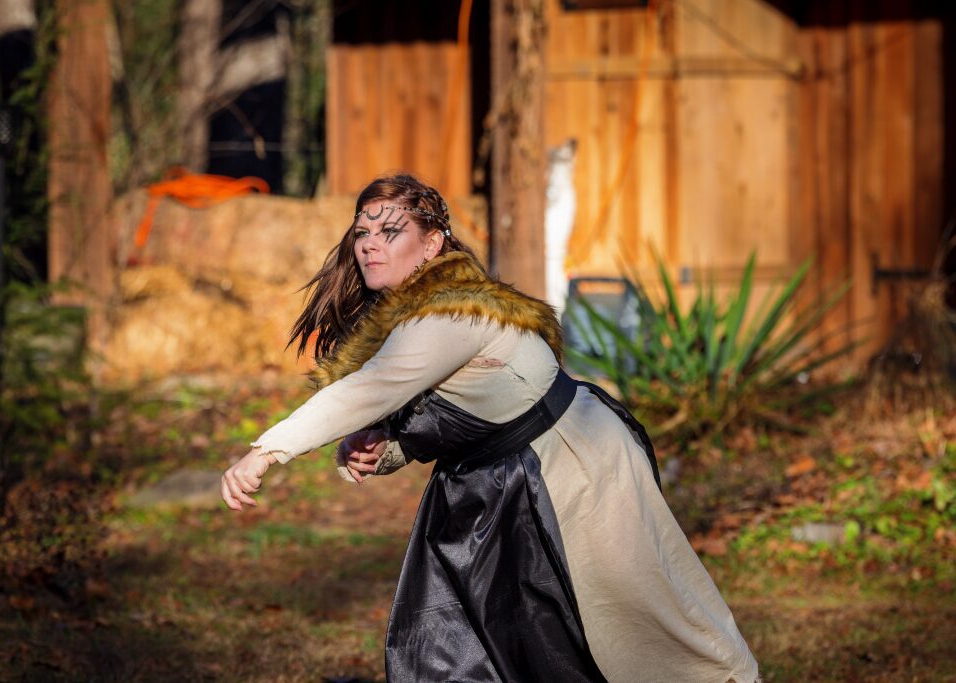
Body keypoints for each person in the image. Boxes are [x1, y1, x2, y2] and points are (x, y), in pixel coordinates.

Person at [222, 174, 759, 682]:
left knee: (640, 621)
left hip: (578, 470)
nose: (369, 245)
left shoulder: (449, 315)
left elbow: (368, 388)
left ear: (432, 245)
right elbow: (458, 406)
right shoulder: (420, 313)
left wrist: (266, 453)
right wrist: (388, 446)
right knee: (491, 635)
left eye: (390, 232)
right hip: (499, 485)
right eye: (362, 232)